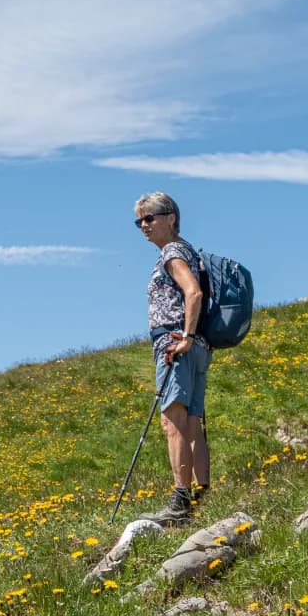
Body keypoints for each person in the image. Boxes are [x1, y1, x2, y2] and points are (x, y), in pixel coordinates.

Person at [134, 192, 210, 525]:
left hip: (175, 342)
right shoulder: (189, 250)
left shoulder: (172, 253)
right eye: (139, 221)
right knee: (192, 421)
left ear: (171, 218)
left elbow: (193, 292)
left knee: (173, 421)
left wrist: (185, 337)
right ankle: (201, 494)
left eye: (150, 218)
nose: (143, 226)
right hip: (195, 346)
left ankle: (180, 501)